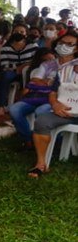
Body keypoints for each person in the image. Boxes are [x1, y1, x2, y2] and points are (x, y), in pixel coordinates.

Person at [28, 30, 78, 177]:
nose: (64, 46)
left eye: (69, 44)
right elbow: (53, 92)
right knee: (42, 120)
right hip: (65, 111)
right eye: (62, 43)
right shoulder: (64, 70)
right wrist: (55, 105)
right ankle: (41, 164)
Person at [7, 47, 57, 150]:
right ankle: (28, 139)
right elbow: (30, 85)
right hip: (34, 97)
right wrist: (47, 83)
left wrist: (42, 83)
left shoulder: (62, 68)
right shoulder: (36, 70)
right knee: (14, 109)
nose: (48, 62)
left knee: (41, 111)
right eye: (45, 60)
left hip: (52, 99)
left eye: (51, 59)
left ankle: (48, 142)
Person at [0, 23, 37, 116]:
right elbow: (5, 65)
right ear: (12, 33)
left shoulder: (32, 46)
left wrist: (24, 65)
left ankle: (24, 107)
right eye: (16, 31)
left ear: (26, 34)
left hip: (28, 73)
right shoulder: (6, 47)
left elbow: (36, 61)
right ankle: (1, 107)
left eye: (22, 32)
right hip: (13, 73)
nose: (19, 33)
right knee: (4, 75)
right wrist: (17, 68)